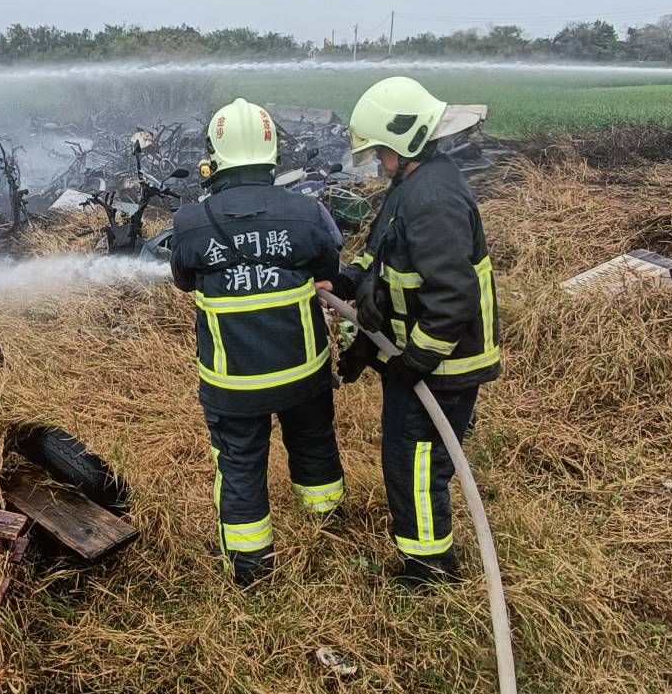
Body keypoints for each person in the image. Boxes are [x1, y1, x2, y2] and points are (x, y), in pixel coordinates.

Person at [326, 77, 499, 583]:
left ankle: (430, 569)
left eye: (381, 150)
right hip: (420, 357)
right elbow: (382, 259)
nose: (378, 160)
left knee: (417, 463)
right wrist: (346, 282)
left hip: (443, 364)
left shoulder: (432, 199)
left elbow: (452, 295)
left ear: (402, 142)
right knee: (408, 456)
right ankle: (426, 557)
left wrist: (416, 361)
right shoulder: (413, 185)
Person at [170, 98, 346, 585]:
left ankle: (251, 568)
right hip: (302, 373)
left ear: (215, 157)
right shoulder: (308, 213)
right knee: (314, 444)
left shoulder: (190, 223)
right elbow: (330, 271)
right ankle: (327, 524)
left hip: (233, 383)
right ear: (272, 153)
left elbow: (185, 281)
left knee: (241, 465)